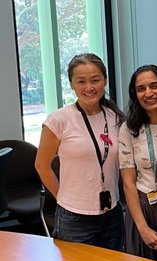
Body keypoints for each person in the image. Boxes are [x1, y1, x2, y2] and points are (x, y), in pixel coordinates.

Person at [35, 53, 125, 250]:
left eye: (95, 80)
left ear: (105, 81)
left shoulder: (115, 117)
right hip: (74, 217)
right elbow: (41, 165)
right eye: (81, 81)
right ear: (72, 84)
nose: (89, 87)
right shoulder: (59, 120)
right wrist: (63, 198)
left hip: (112, 214)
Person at [119, 65, 157, 261]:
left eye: (154, 86)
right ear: (135, 95)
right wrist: (143, 229)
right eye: (141, 89)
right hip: (142, 210)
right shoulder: (129, 129)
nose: (148, 93)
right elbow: (128, 183)